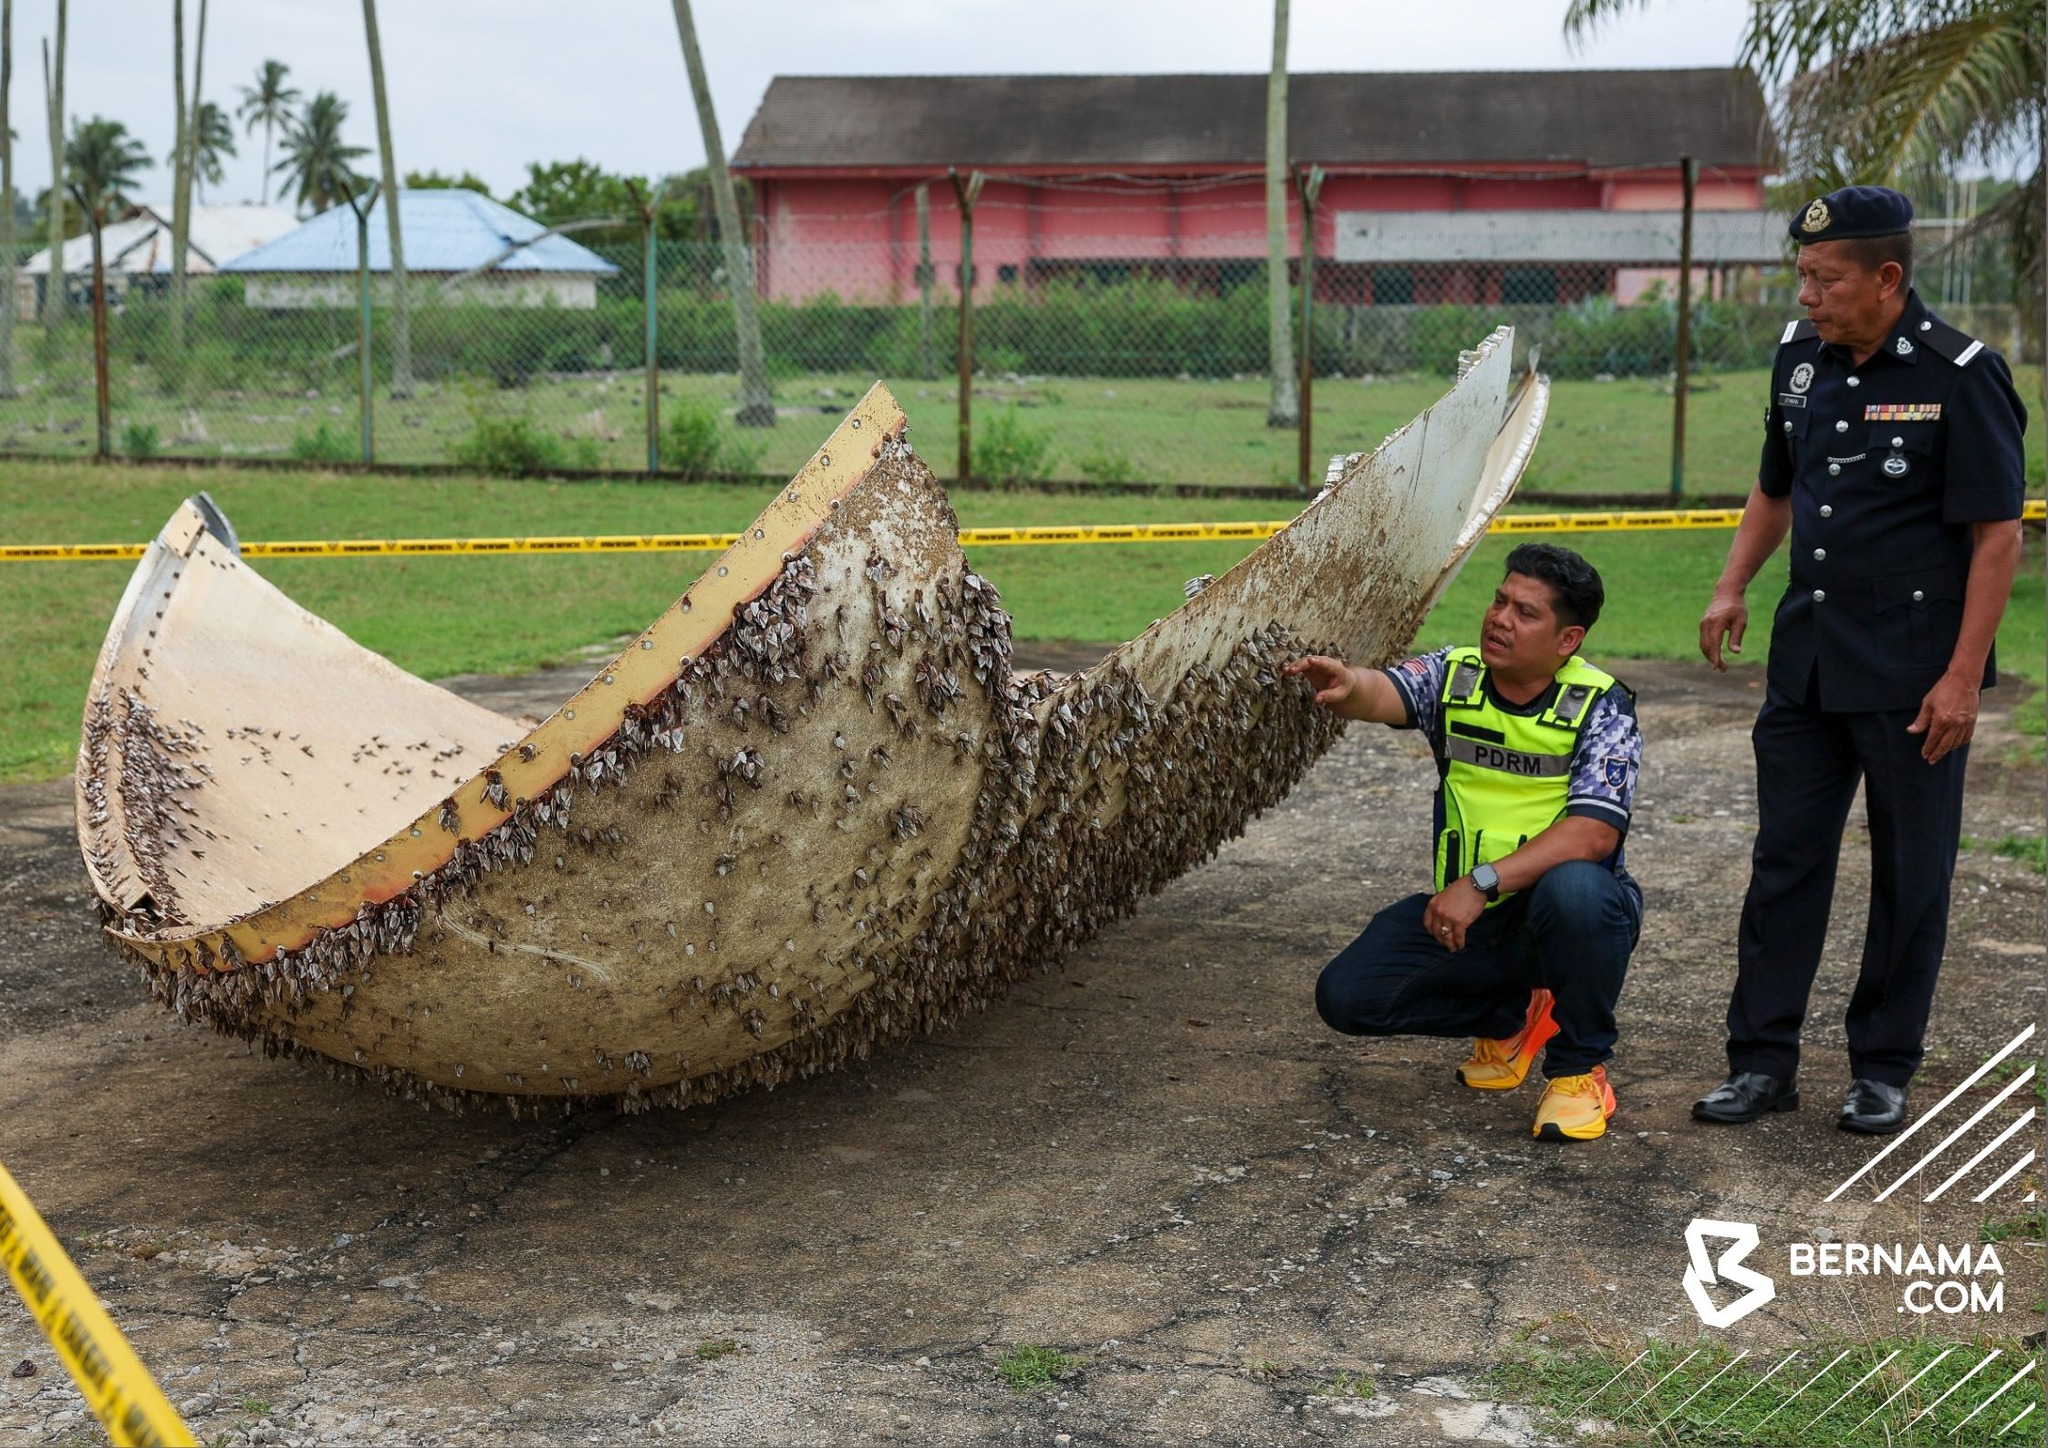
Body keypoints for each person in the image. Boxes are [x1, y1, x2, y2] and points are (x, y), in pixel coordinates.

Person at [1693, 184, 2028, 1136]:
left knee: (1910, 876)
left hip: (1916, 674)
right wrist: (1732, 584)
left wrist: (1964, 677)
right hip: (1809, 662)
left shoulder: (1962, 374)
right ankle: (1761, 1065)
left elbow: (1996, 540)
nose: (1805, 295)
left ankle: (1882, 1067)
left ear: (1886, 278)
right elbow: (1776, 488)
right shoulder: (1800, 362)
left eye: (1824, 278)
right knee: (1784, 863)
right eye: (1801, 275)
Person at [1289, 543, 1644, 1143]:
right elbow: (1384, 692)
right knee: (1347, 998)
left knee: (1581, 890)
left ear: (1568, 640)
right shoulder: (1456, 674)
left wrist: (1480, 883)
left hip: (1551, 915)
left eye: (1525, 612)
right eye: (1500, 600)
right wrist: (1347, 683)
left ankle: (1579, 1071)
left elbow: (1592, 834)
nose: (1500, 618)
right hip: (1472, 918)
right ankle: (1510, 1015)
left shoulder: (1602, 707)